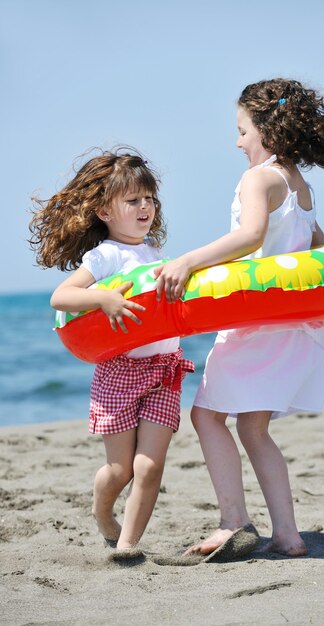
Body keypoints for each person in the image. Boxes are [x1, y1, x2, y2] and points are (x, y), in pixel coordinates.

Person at [155, 78, 324, 559]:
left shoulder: (258, 177)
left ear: (266, 129)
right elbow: (318, 249)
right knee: (254, 428)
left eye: (242, 130)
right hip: (295, 327)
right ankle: (287, 535)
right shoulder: (299, 185)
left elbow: (249, 237)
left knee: (205, 416)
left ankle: (233, 522)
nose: (237, 141)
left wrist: (188, 261)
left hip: (257, 325)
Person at [29, 148, 194, 562]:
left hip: (164, 369)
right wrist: (102, 298)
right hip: (119, 371)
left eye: (150, 199)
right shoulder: (105, 256)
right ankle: (103, 515)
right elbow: (61, 296)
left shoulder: (157, 252)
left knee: (149, 467)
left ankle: (127, 546)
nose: (145, 208)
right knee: (119, 471)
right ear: (104, 210)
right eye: (133, 200)